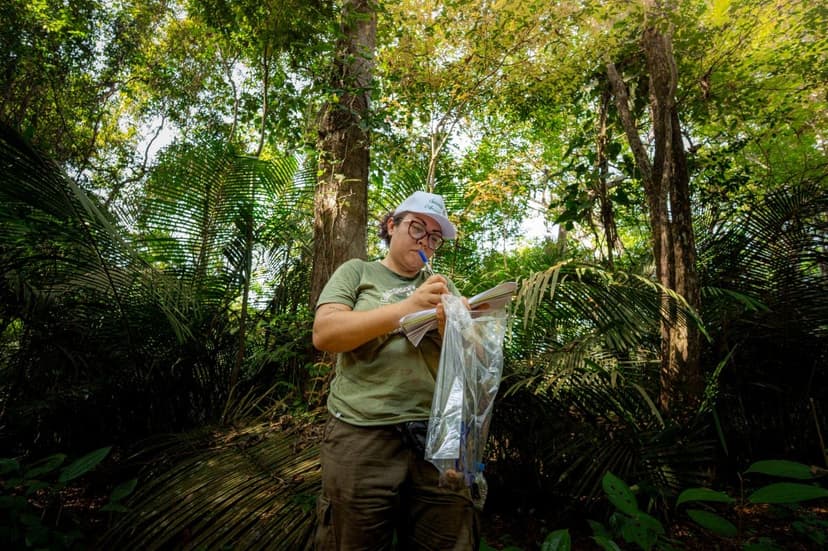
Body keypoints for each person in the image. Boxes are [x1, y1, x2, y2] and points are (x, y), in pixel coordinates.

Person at [312, 191, 479, 550]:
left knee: (447, 540)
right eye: (418, 228)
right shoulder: (358, 272)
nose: (426, 243)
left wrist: (458, 326)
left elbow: (476, 359)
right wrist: (406, 308)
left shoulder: (444, 290)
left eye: (434, 238)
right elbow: (325, 334)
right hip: (362, 432)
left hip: (438, 436)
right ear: (392, 225)